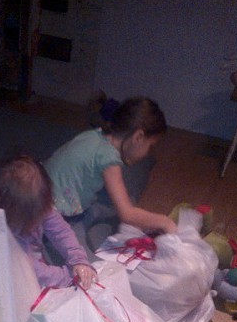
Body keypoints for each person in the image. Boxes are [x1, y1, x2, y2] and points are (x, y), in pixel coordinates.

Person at [44, 96, 178, 254]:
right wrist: (165, 222)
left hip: (38, 183)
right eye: (151, 146)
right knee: (77, 250)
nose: (149, 152)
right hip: (46, 209)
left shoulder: (94, 135)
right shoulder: (110, 160)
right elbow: (127, 214)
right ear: (138, 137)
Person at [0, 154, 96, 289]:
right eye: (36, 218)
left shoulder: (37, 204)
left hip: (33, 262)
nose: (42, 218)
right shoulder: (0, 238)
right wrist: (70, 276)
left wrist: (78, 259)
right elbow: (35, 273)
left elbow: (60, 230)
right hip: (11, 278)